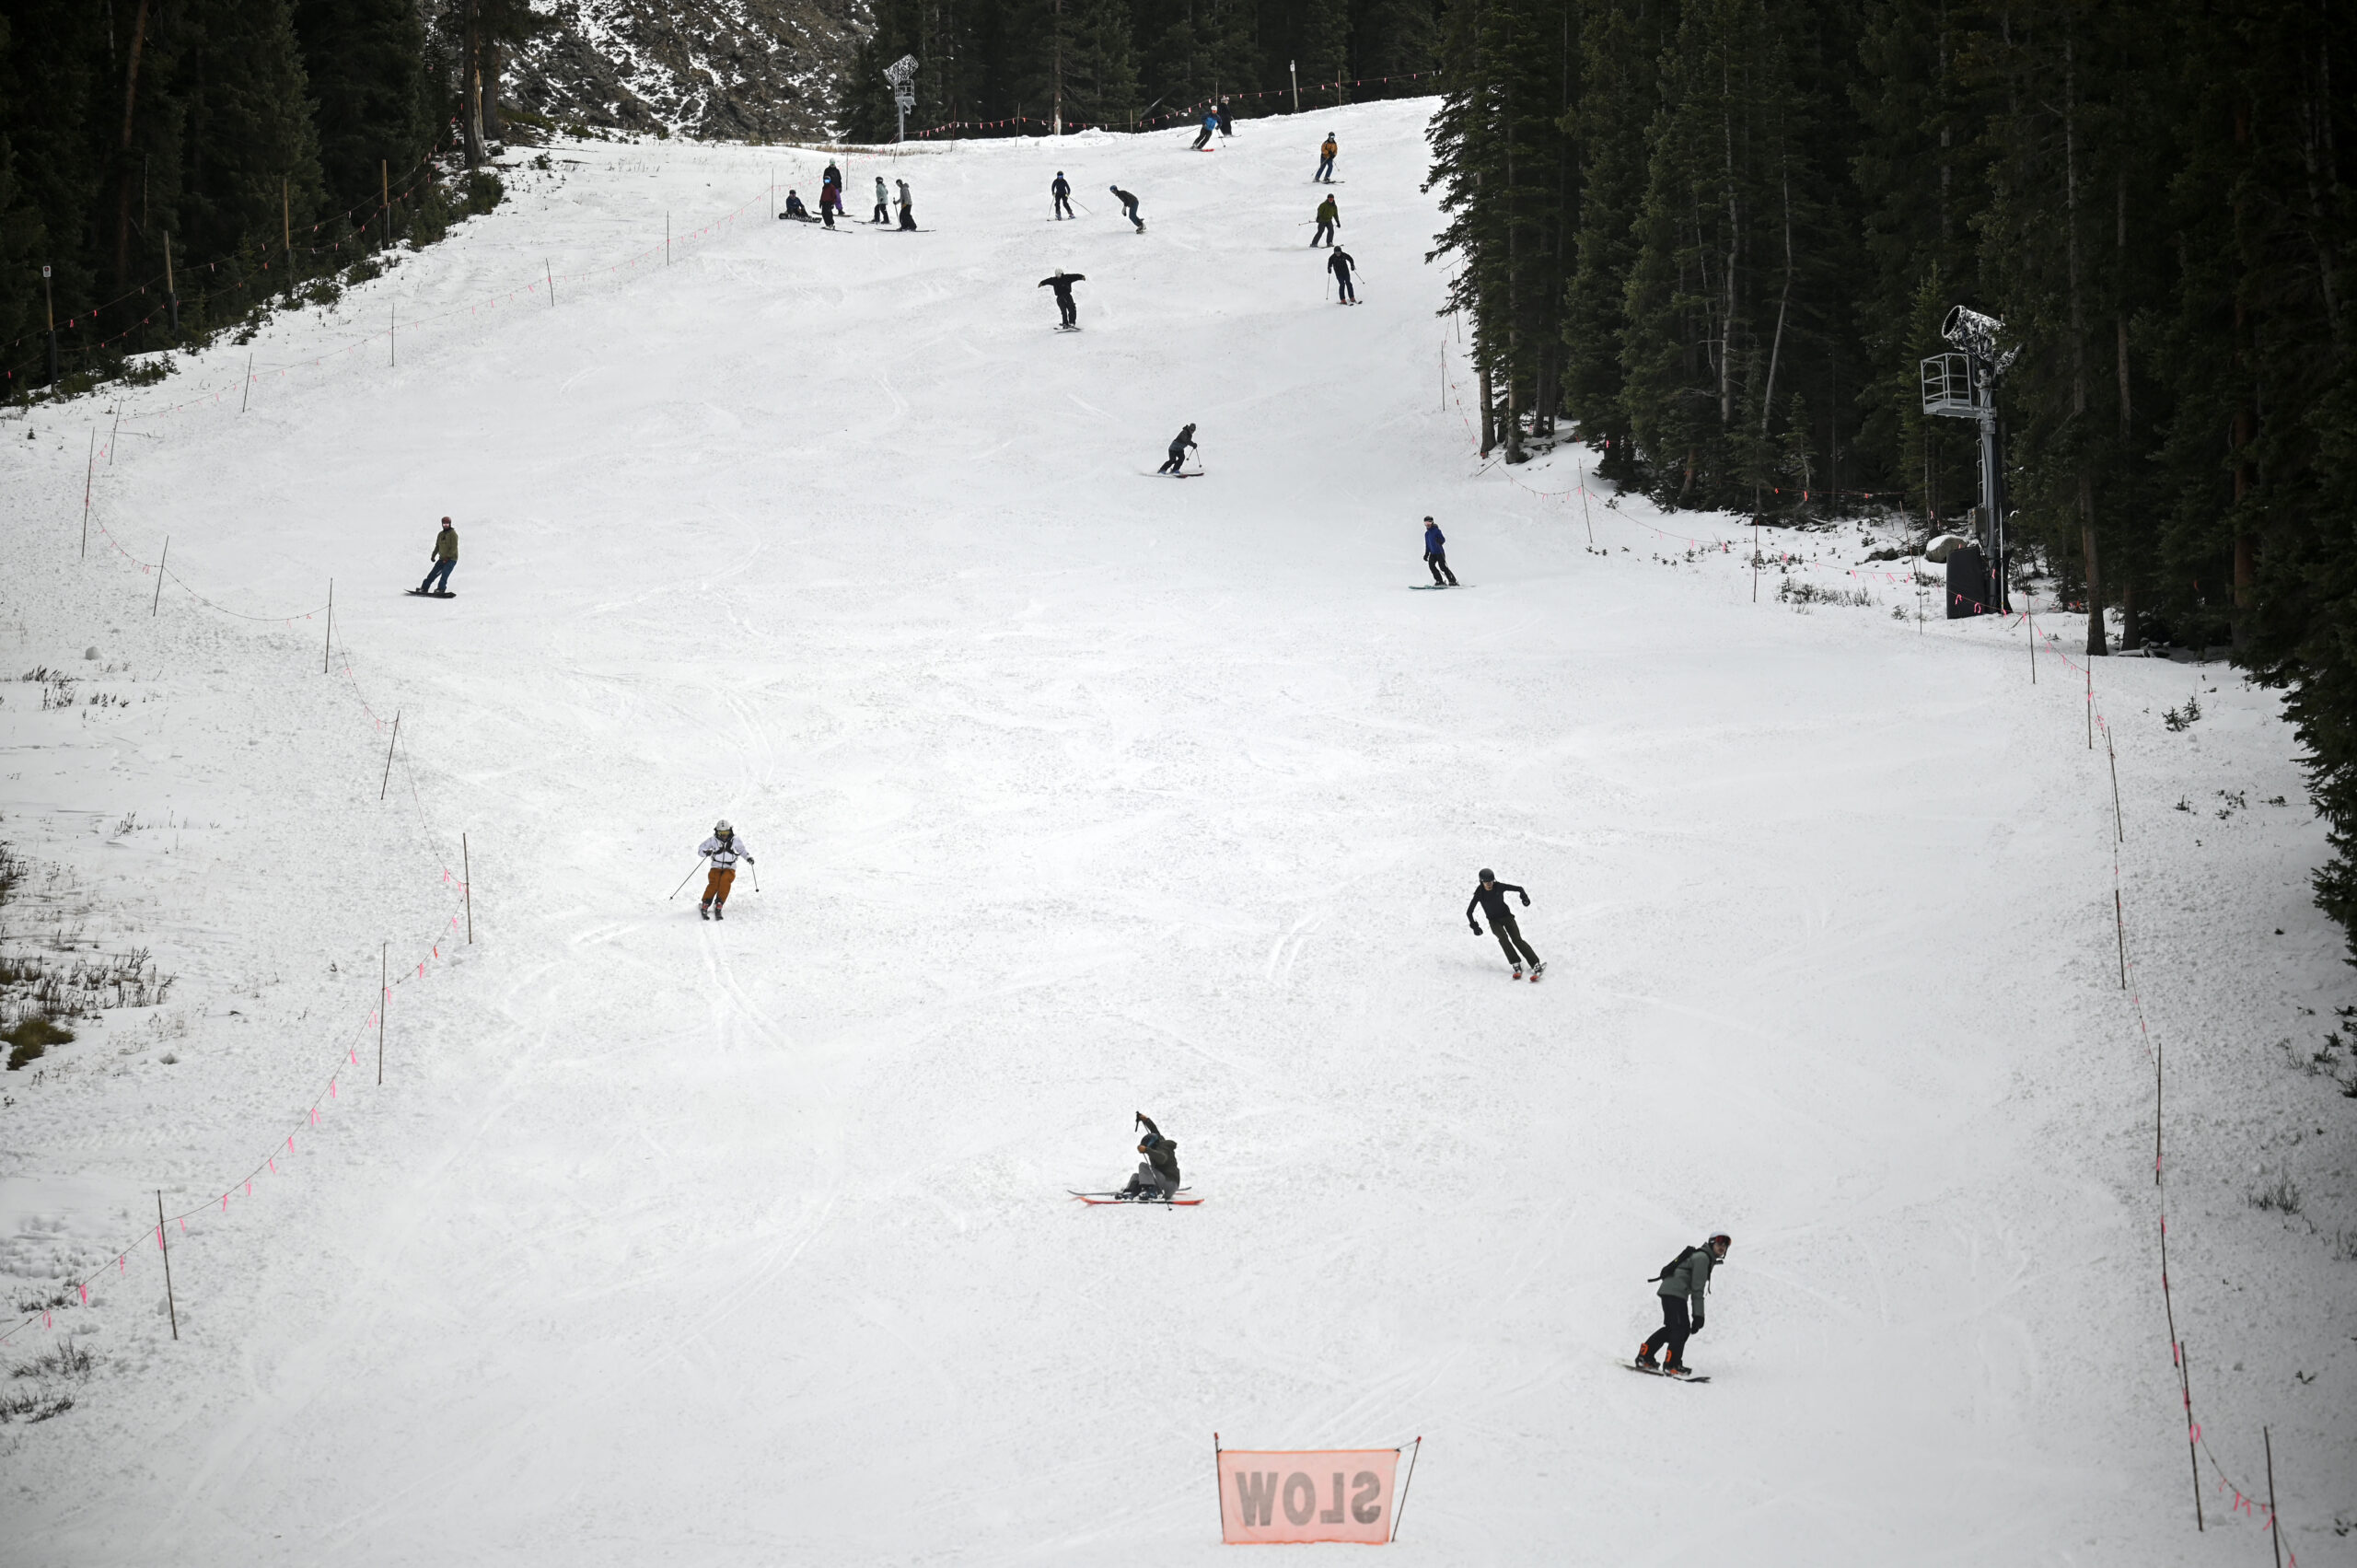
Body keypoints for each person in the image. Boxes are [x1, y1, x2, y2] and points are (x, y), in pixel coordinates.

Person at [1638, 1233, 1731, 1376]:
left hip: (1671, 1291)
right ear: (1711, 1243)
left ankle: (1646, 1356)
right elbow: (1697, 1289)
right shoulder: (1702, 1258)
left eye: (1726, 1244)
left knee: (1672, 1329)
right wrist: (1698, 1316)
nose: (1722, 1247)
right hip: (1675, 1293)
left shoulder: (1703, 1257)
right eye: (1719, 1243)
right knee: (1681, 1329)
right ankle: (1672, 1364)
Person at [1467, 869, 1542, 979]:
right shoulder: (1479, 893)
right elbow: (1469, 912)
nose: (1489, 884)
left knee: (1517, 939)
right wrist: (1475, 926)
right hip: (1494, 921)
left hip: (1507, 917)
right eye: (1487, 882)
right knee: (1503, 939)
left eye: (1491, 882)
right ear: (1481, 882)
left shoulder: (1499, 886)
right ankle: (1515, 963)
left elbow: (1519, 889)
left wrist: (1524, 897)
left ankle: (1535, 964)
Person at [697, 820, 754, 921]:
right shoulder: (713, 840)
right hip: (716, 865)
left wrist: (748, 857)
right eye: (721, 833)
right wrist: (706, 853)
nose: (724, 835)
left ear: (730, 831)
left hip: (730, 866)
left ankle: (719, 902)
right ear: (717, 832)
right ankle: (706, 902)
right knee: (714, 883)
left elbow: (742, 850)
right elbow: (700, 849)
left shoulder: (735, 840)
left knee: (725, 881)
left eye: (726, 833)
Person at [1120, 1112, 1182, 1201]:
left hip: (1169, 1184)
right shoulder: (1158, 1141)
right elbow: (1154, 1131)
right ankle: (1130, 1192)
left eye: (1149, 1148)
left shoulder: (1164, 1147)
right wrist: (1146, 1120)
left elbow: (1162, 1158)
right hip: (1163, 1182)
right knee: (1136, 1176)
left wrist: (1146, 1150)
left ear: (1152, 1145)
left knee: (1143, 1166)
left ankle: (1151, 1192)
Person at [418, 517, 458, 595]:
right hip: (442, 559)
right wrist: (433, 555)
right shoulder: (440, 534)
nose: (445, 525)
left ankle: (441, 589)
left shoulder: (453, 534)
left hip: (451, 560)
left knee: (444, 574)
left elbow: (454, 547)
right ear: (442, 524)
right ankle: (424, 588)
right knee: (432, 574)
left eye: (447, 524)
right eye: (444, 524)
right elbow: (437, 546)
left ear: (450, 524)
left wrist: (448, 557)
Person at [1422, 516, 1457, 586]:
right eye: (1426, 523)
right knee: (1431, 566)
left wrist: (1440, 541)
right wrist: (1426, 553)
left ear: (1432, 522)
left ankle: (1452, 581)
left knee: (1442, 567)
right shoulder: (1427, 534)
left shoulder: (1437, 531)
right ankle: (1439, 581)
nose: (1428, 524)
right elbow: (1427, 545)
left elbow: (1443, 539)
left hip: (1439, 552)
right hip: (1432, 553)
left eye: (1429, 522)